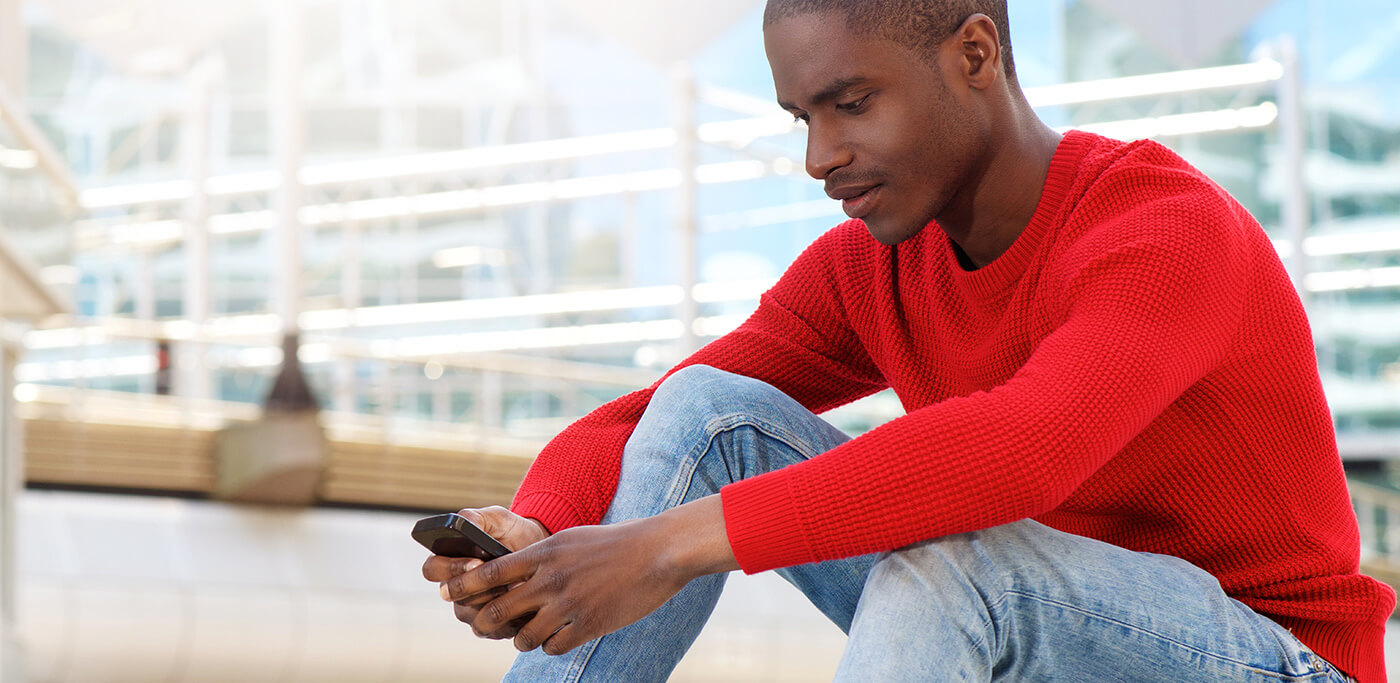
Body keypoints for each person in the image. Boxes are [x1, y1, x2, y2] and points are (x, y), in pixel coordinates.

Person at [423, 1, 1395, 680]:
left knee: (953, 562)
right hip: (1033, 638)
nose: (818, 156)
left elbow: (1019, 451)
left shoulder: (1159, 229)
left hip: (1269, 658)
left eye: (850, 103)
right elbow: (646, 417)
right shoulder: (869, 267)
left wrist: (663, 546)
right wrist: (540, 537)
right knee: (705, 411)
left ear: (973, 56)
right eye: (802, 117)